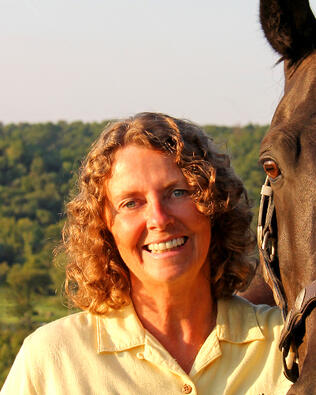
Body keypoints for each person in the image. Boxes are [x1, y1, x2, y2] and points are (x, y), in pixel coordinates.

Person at [1, 112, 292, 394]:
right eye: (131, 203)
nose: (159, 219)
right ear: (104, 229)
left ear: (215, 205)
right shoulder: (51, 360)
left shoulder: (289, 346)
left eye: (177, 192)